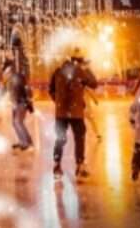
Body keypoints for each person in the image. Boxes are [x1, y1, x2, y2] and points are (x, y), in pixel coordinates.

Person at [49, 48, 98, 179]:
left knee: (60, 138)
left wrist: (58, 102)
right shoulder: (80, 71)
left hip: (61, 113)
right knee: (79, 137)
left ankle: (57, 164)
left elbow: (51, 90)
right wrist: (87, 69)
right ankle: (80, 165)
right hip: (76, 112)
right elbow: (94, 84)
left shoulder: (58, 71)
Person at [5, 58, 34, 151]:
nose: (5, 74)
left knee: (18, 122)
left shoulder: (16, 78)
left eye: (6, 72)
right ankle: (23, 141)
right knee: (15, 123)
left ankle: (26, 142)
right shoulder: (12, 79)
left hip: (20, 103)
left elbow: (22, 90)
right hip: (17, 104)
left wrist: (25, 101)